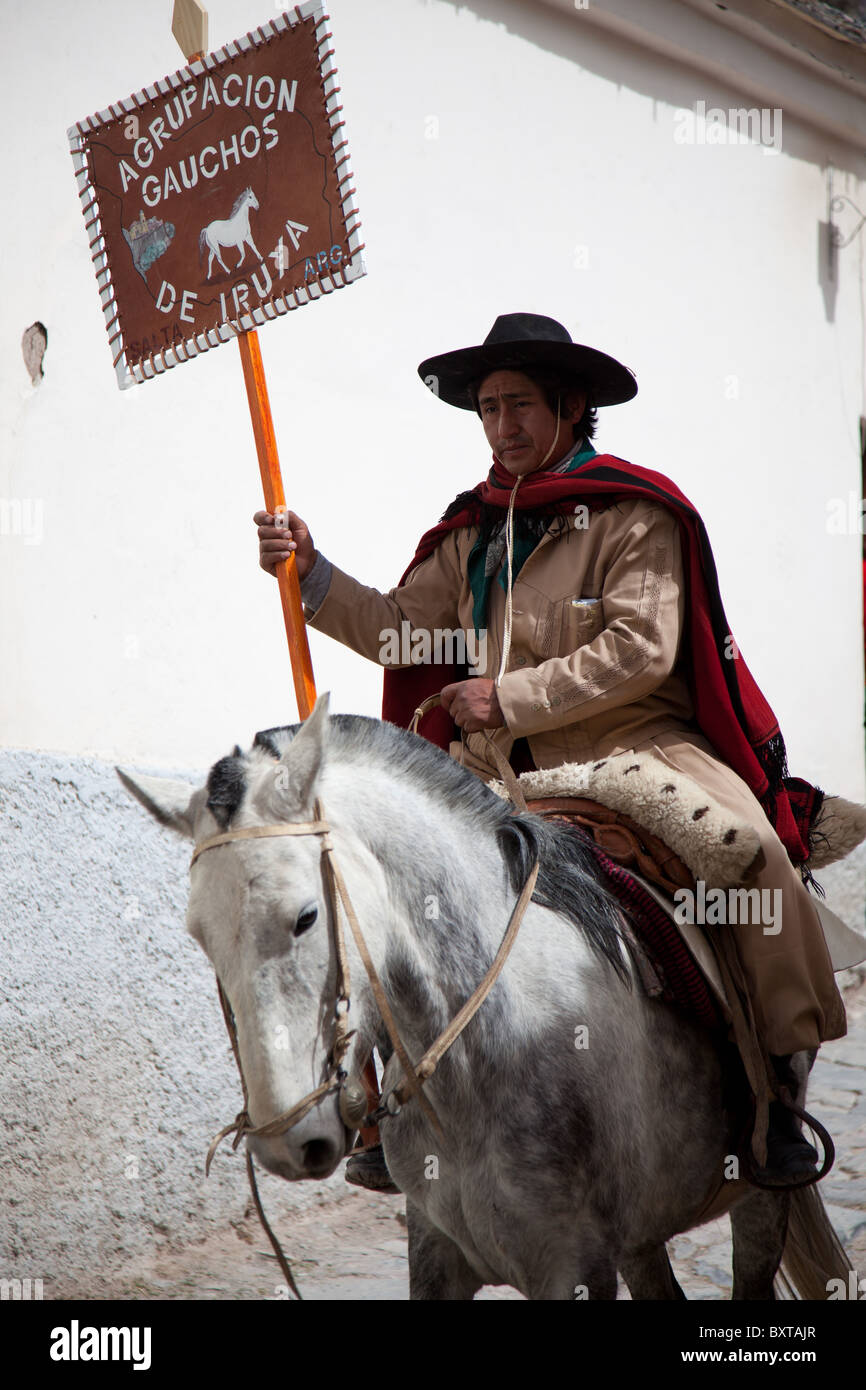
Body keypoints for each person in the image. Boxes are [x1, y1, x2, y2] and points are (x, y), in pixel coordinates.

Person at [254, 312, 846, 1188]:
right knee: (374, 880)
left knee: (752, 858)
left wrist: (510, 694)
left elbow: (643, 648)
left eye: (519, 405)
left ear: (570, 407)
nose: (502, 426)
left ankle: (777, 1094)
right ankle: (379, 1105)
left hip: (639, 751)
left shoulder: (634, 514)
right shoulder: (471, 534)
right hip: (502, 774)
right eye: (488, 409)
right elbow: (398, 638)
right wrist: (314, 573)